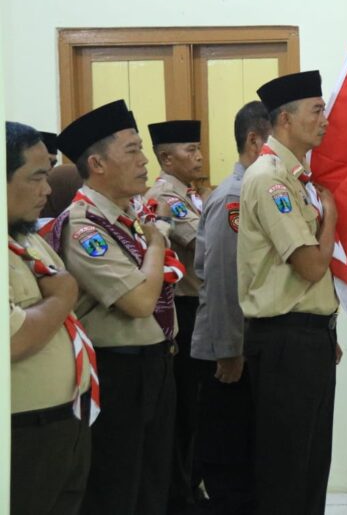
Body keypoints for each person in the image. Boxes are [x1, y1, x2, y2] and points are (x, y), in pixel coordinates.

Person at [52, 99, 180, 515]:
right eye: (132, 150)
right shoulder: (84, 226)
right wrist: (158, 242)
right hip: (118, 373)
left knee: (153, 486)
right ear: (98, 163)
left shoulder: (128, 218)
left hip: (155, 364)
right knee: (117, 489)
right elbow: (141, 300)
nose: (145, 161)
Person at [237, 70, 341, 515]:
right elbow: (312, 265)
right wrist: (331, 217)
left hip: (308, 336)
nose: (325, 121)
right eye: (316, 111)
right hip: (284, 340)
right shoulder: (271, 179)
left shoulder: (296, 178)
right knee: (286, 471)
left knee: (311, 465)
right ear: (284, 120)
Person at [7, 121, 95, 515]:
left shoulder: (27, 238)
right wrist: (63, 296)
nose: (48, 190)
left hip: (67, 421)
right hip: (23, 432)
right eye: (37, 177)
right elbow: (13, 340)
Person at [191, 100, 271, 514]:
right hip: (230, 352)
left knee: (251, 457)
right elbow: (224, 279)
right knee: (230, 462)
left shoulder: (257, 191)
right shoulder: (234, 199)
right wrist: (229, 350)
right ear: (256, 142)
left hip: (247, 346)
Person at [145, 119, 206, 511]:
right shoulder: (167, 197)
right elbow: (202, 243)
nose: (199, 155)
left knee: (199, 411)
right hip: (183, 311)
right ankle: (180, 494)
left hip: (199, 307)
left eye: (198, 148)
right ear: (166, 158)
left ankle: (190, 487)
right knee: (186, 409)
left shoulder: (192, 193)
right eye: (189, 149)